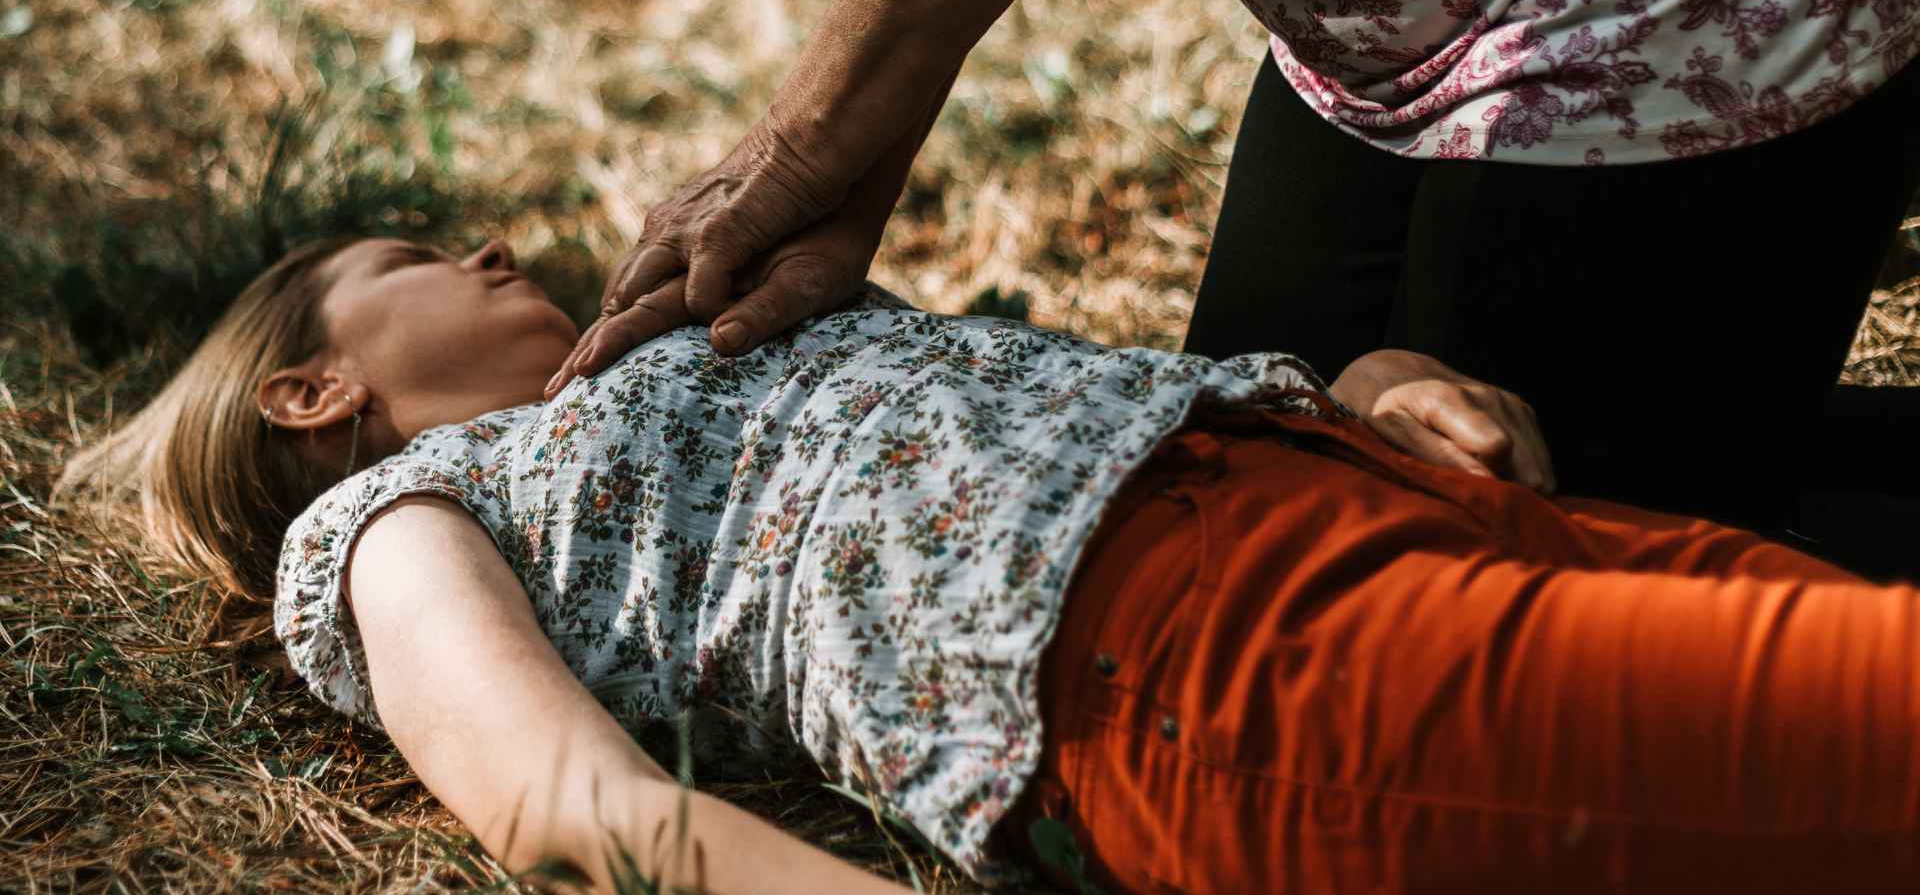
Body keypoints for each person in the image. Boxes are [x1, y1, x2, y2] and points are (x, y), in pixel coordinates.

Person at [61, 236, 1920, 893]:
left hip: (1364, 494)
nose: (475, 246)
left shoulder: (703, 344)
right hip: (1199, 665)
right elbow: (569, 799)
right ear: (314, 383)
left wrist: (1376, 385)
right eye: (408, 253)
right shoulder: (388, 526)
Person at [547, 0, 1920, 537]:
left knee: (1489, 556)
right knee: (1252, 488)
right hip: (1393, 8)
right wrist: (849, 182)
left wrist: (798, 150)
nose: (494, 268)